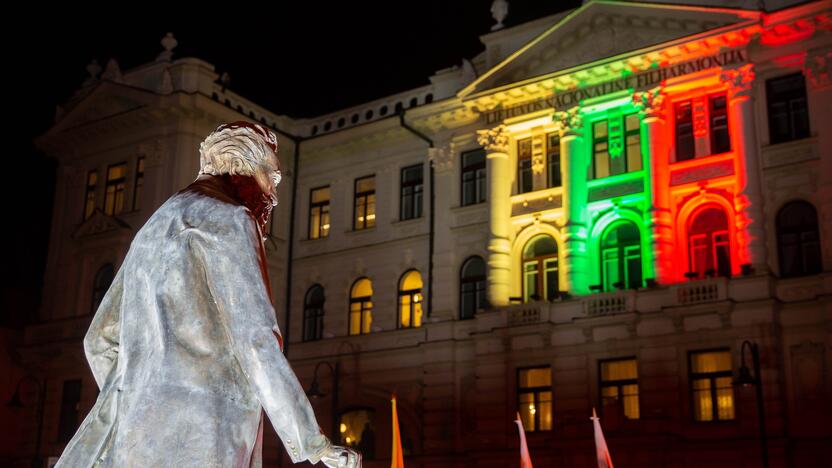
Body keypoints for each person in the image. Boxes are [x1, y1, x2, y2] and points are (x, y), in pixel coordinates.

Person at [55, 122, 361, 468]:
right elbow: (256, 340)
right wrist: (313, 444)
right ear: (244, 166)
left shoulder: (152, 228)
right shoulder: (230, 218)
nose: (273, 195)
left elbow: (99, 339)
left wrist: (139, 395)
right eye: (271, 178)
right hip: (207, 433)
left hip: (136, 438)